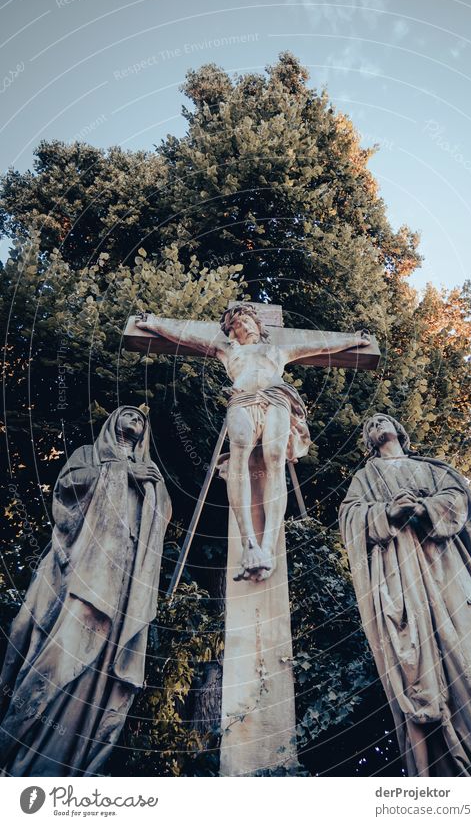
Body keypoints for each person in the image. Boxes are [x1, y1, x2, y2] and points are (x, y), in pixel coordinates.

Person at [339, 413, 471, 777]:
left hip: (449, 569)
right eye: (369, 425)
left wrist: (425, 508)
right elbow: (351, 516)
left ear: (400, 429)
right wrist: (388, 512)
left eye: (383, 419)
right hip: (402, 574)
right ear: (368, 442)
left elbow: (457, 499)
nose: (376, 424)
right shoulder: (365, 478)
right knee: (419, 664)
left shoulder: (431, 469)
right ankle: (444, 767)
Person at [136, 305, 370, 581]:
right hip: (242, 400)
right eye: (237, 324)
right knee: (239, 458)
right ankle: (249, 542)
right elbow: (185, 336)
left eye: (247, 320)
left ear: (259, 326)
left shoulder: (277, 351)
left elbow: (319, 345)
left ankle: (268, 546)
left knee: (274, 459)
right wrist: (154, 323)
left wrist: (355, 340)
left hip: (276, 400)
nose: (243, 325)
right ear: (231, 332)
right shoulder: (227, 350)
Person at [0, 406, 171, 776]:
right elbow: (67, 486)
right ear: (113, 422)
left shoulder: (150, 473)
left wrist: (151, 489)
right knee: (61, 651)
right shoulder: (88, 455)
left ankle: (72, 759)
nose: (137, 421)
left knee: (100, 670)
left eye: (142, 419)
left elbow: (161, 517)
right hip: (85, 572)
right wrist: (123, 471)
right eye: (129, 415)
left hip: (123, 578)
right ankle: (19, 749)